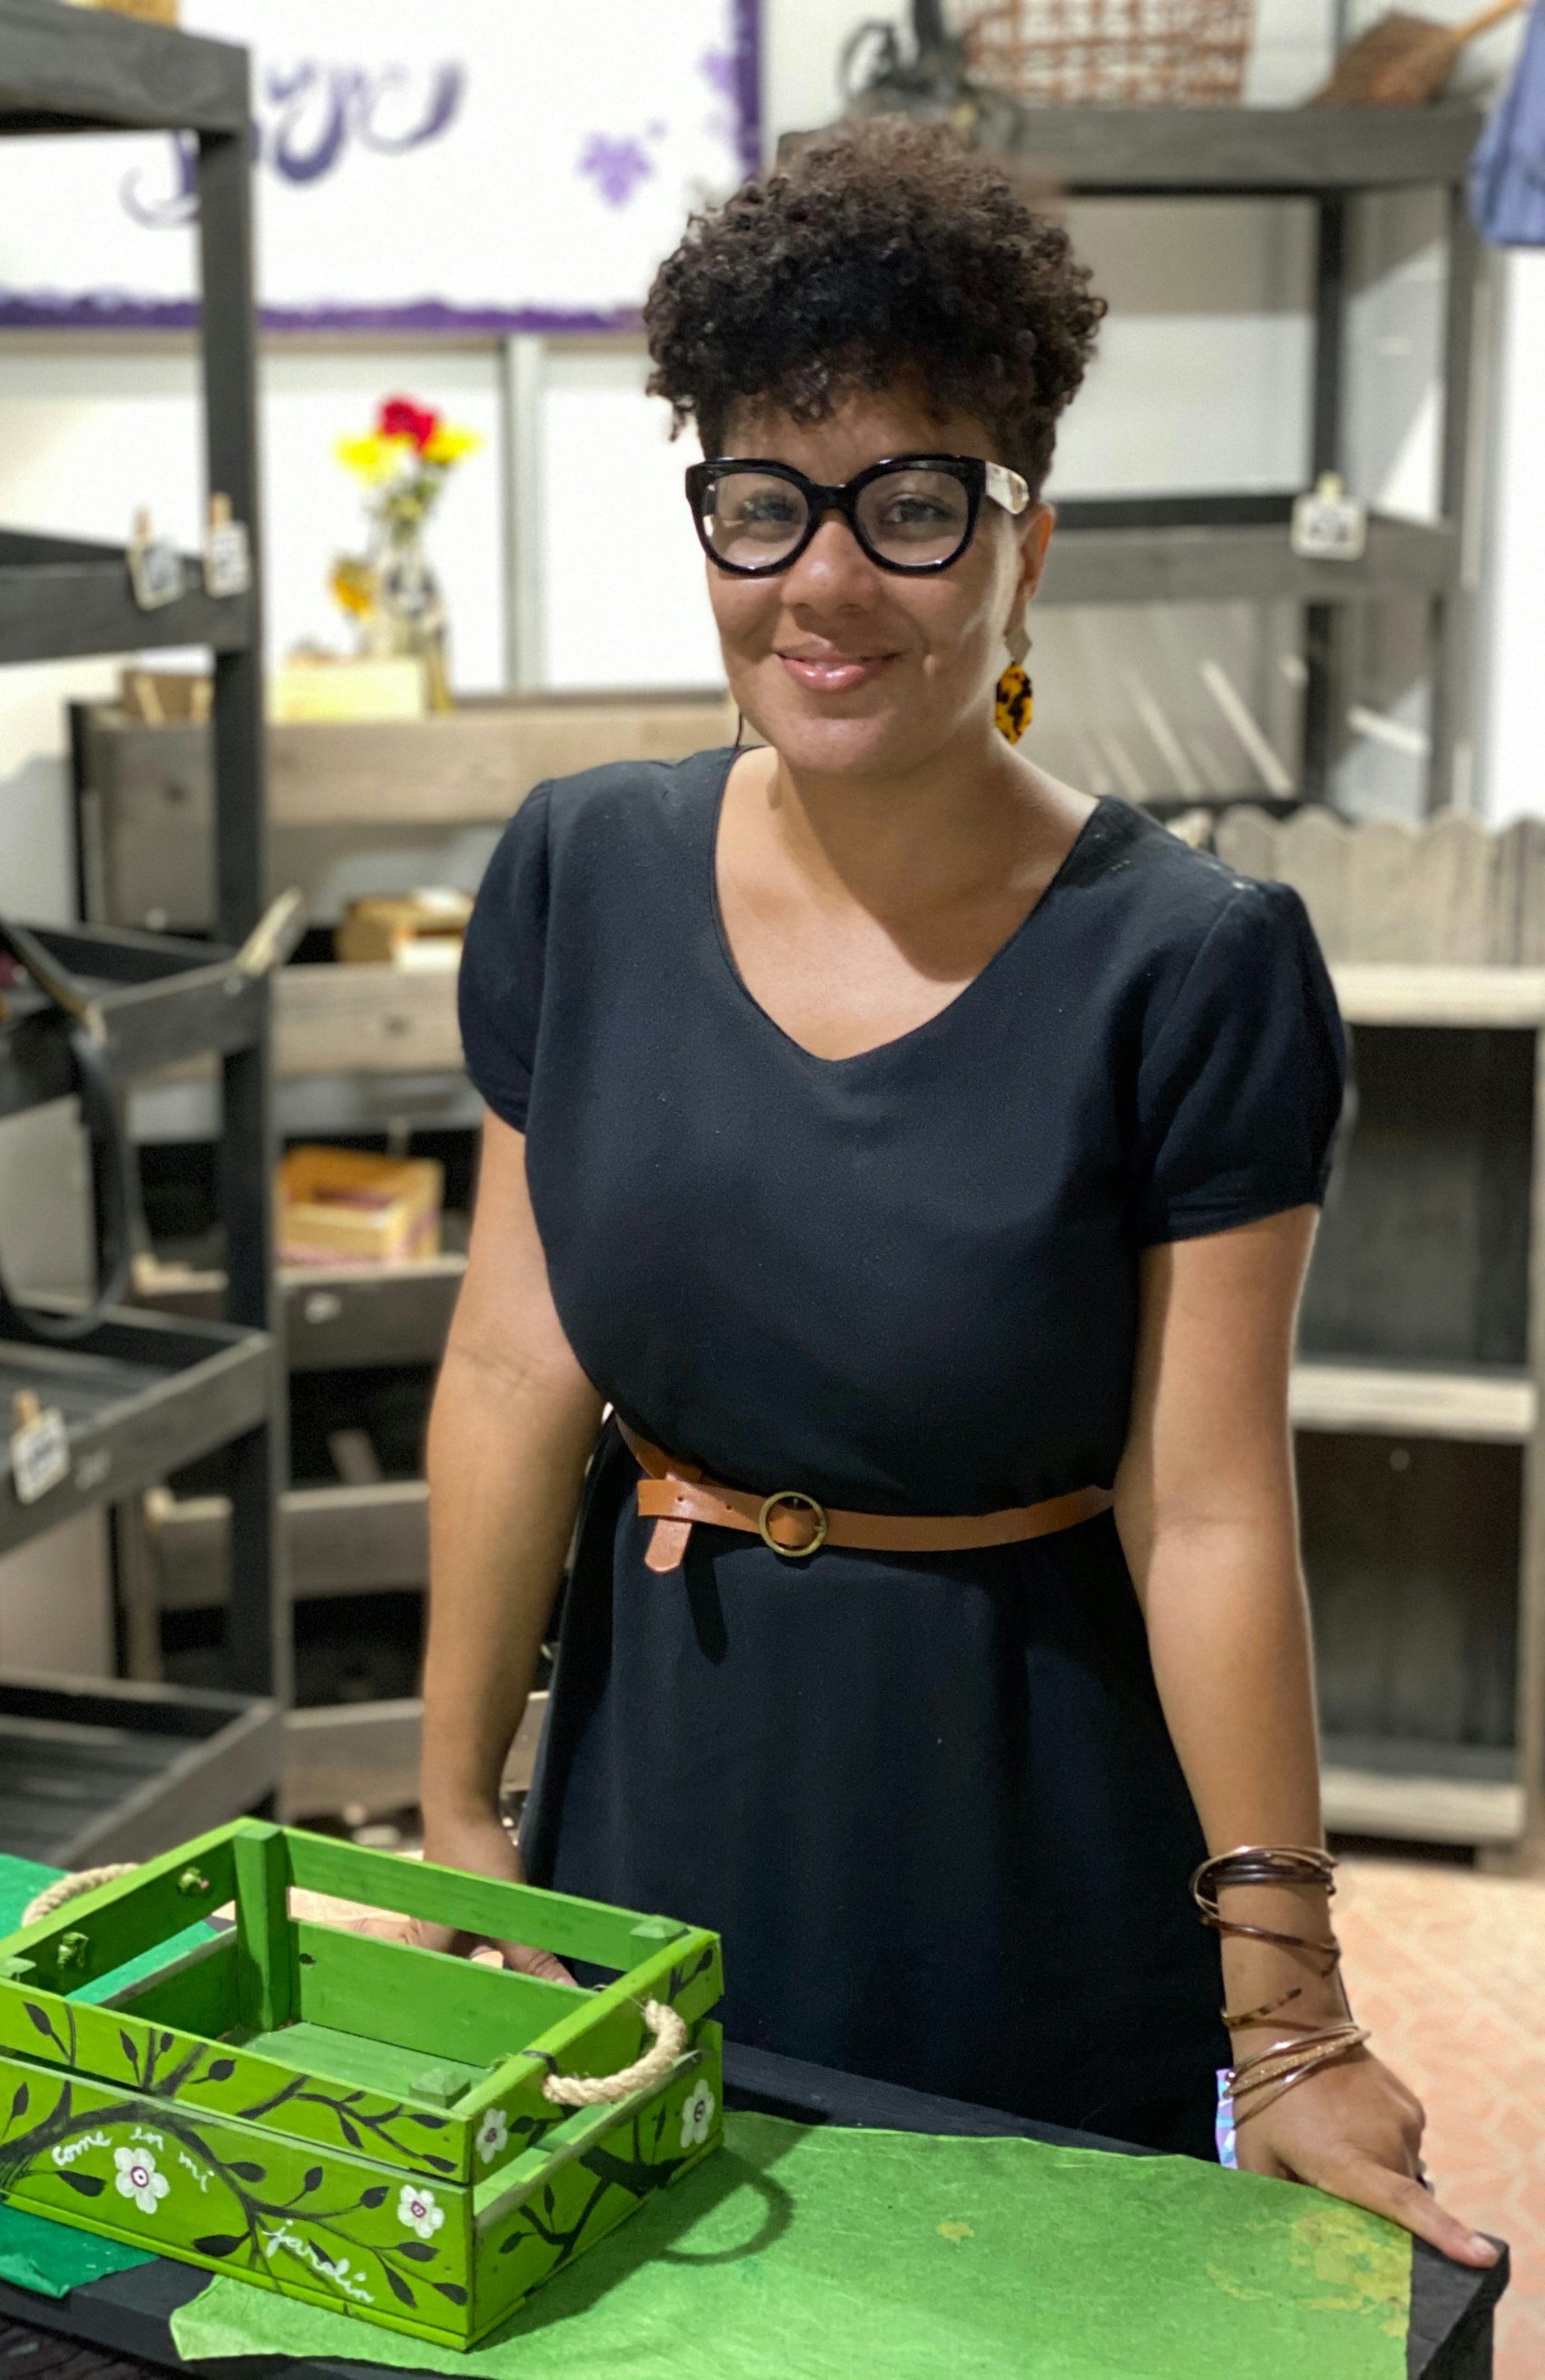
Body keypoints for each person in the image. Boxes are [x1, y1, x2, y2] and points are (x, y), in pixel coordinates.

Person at [416, 118, 1495, 2267]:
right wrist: (459, 1825)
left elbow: (1208, 1507)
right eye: (760, 499)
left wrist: (1283, 2019)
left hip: (1020, 1839)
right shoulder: (578, 874)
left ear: (1027, 543)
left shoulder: (1191, 961)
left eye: (911, 504)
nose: (821, 579)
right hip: (652, 1811)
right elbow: (517, 1356)